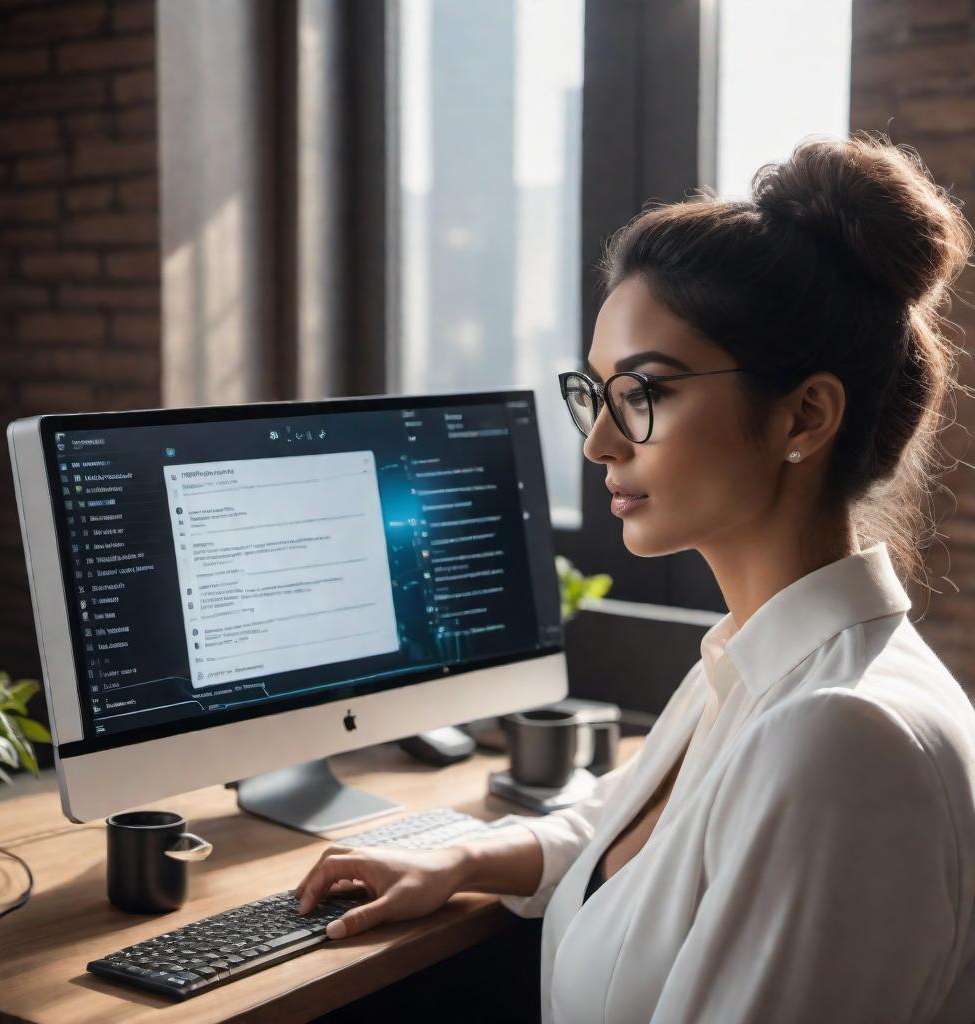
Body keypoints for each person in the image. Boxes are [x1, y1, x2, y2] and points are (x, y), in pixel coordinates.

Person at [294, 131, 975, 1023]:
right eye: (596, 394)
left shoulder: (837, 738)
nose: (598, 442)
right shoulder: (748, 666)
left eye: (646, 394)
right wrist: (464, 858)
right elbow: (641, 828)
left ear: (804, 415)